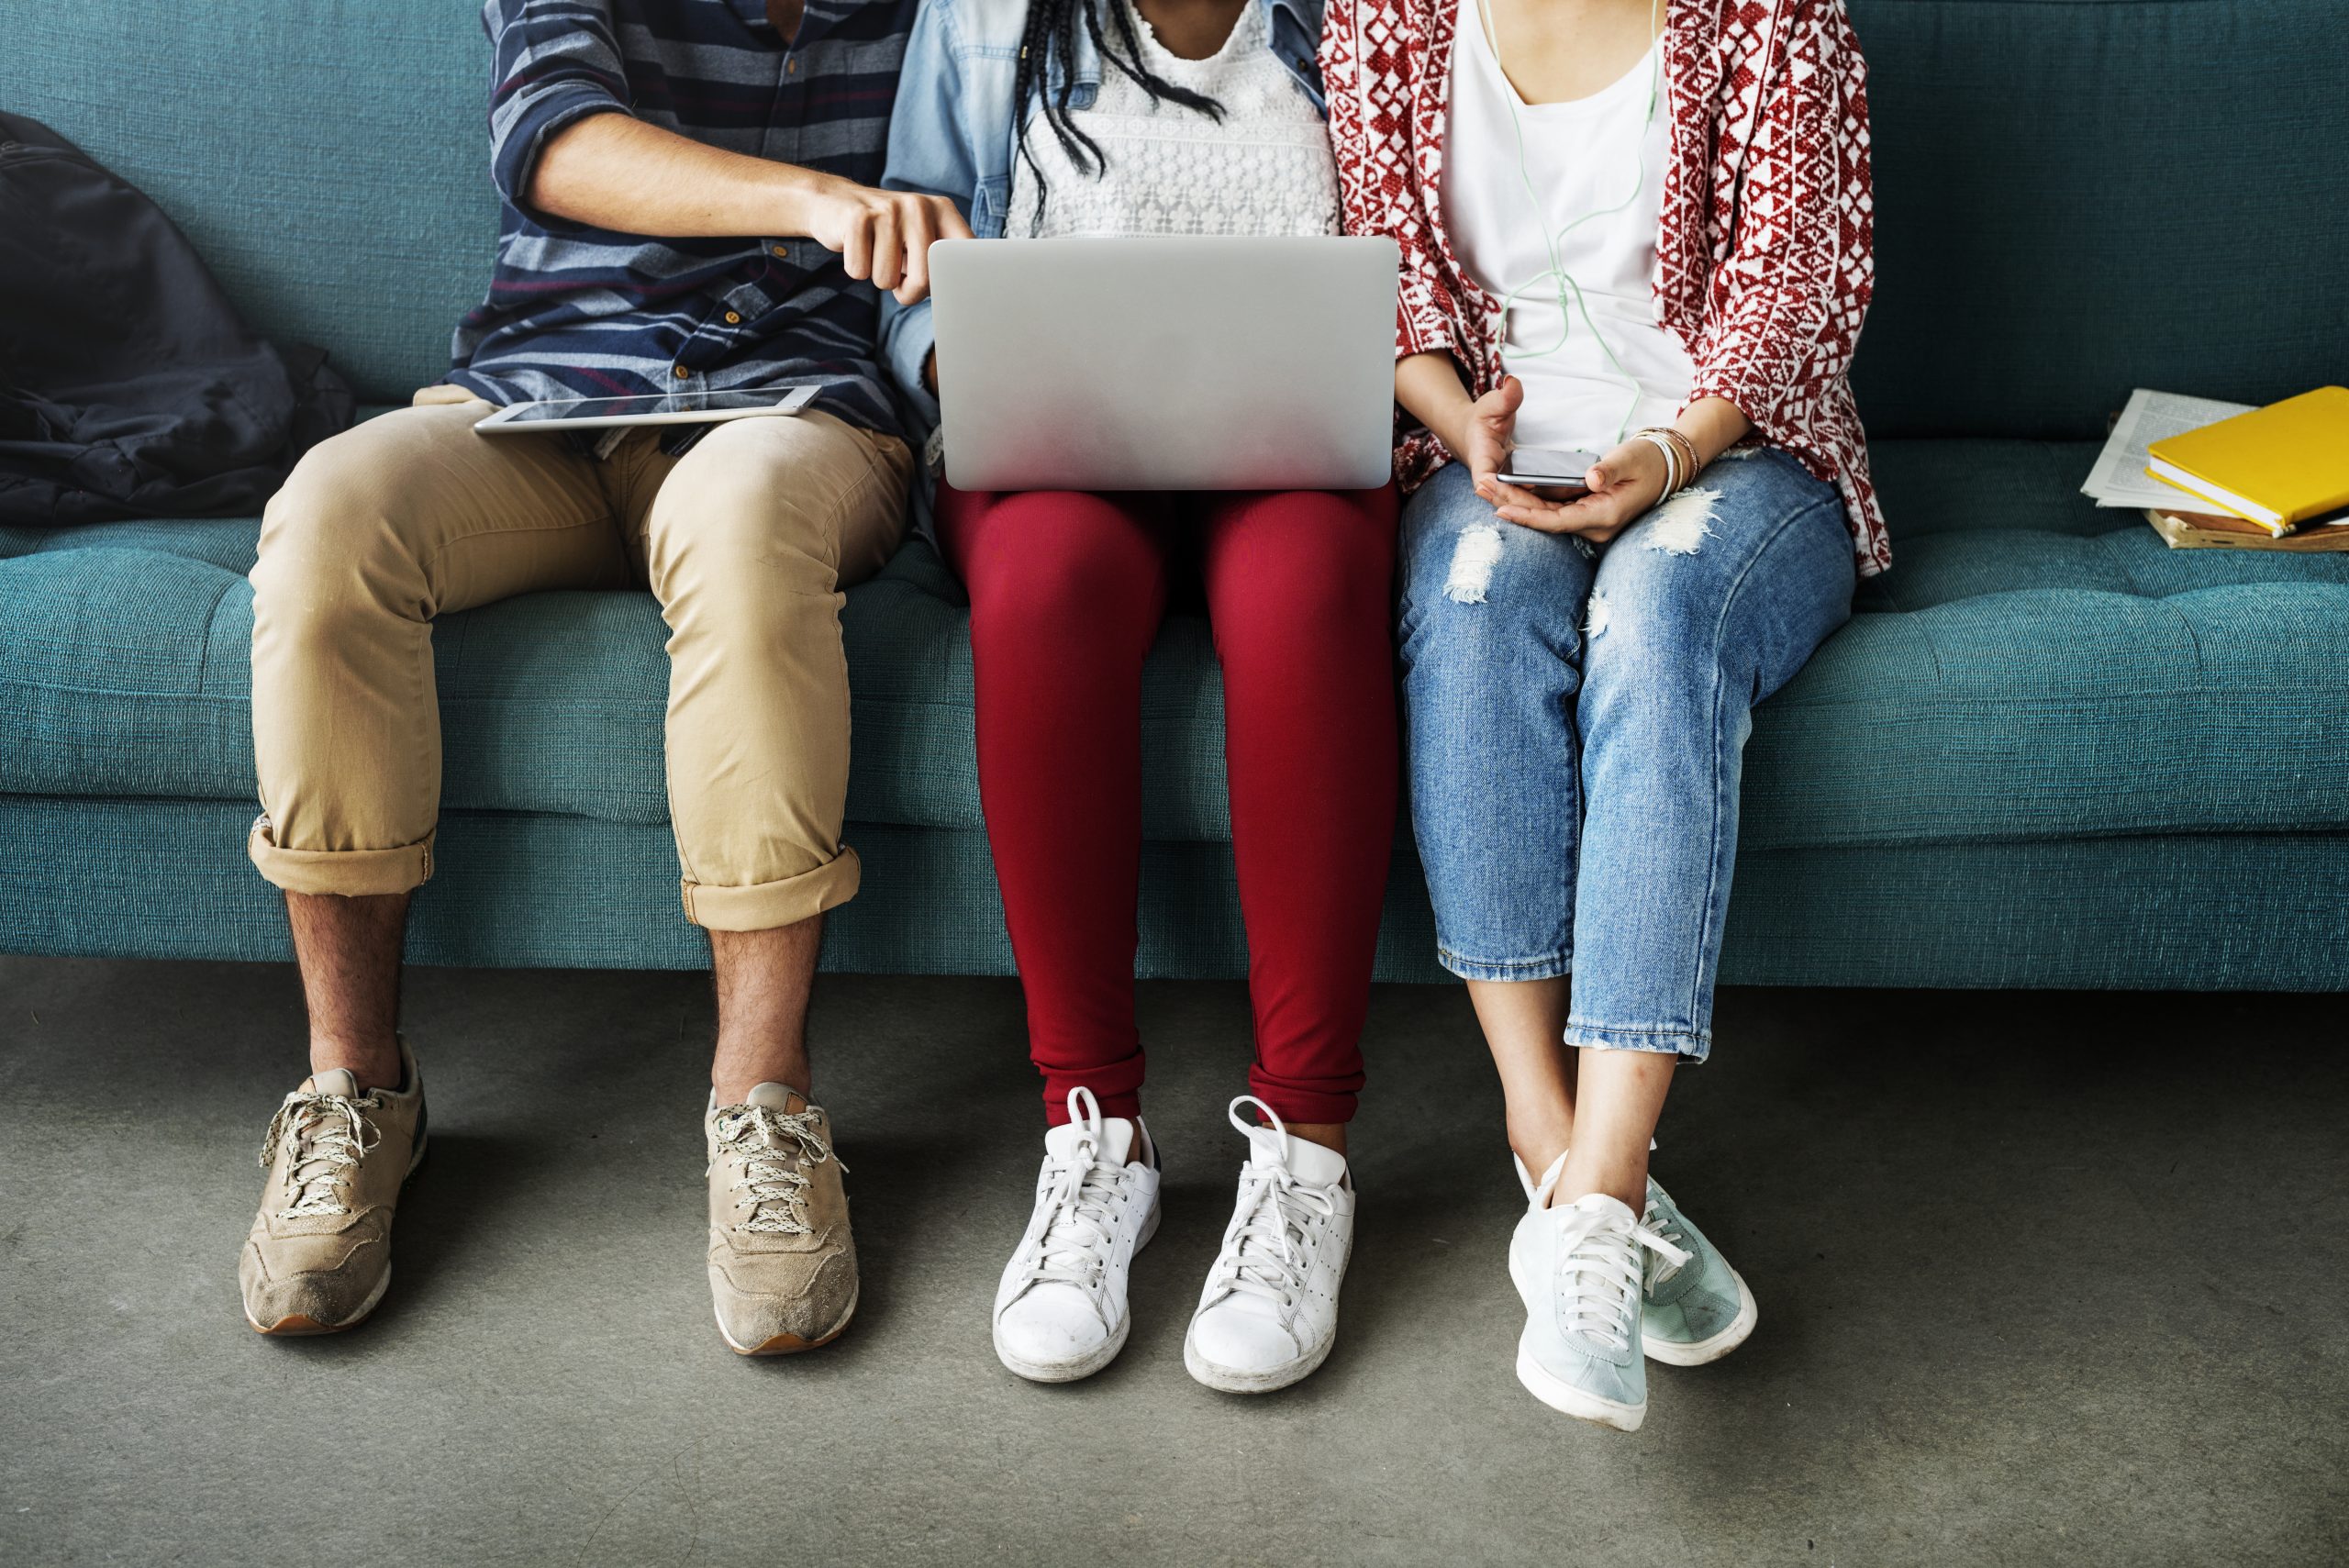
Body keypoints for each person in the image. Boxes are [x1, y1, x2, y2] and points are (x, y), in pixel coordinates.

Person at [236, 0, 971, 1352]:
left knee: (740, 526)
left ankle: (765, 1107)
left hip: (797, 412)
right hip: (543, 400)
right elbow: (553, 140)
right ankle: (354, 1090)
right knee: (327, 518)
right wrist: (818, 200)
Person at [1323, 0, 1883, 1429]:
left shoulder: (1772, 13)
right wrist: (1463, 428)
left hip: (1732, 449)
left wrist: (1666, 449)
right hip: (1489, 451)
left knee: (1659, 609)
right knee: (1467, 591)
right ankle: (1545, 1131)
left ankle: (1603, 1191)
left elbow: (1796, 291)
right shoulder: (1383, 14)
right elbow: (1375, 284)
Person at [878, 0, 1398, 1392]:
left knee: (1306, 594)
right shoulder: (981, 16)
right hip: (1056, 452)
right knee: (1042, 585)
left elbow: (1437, 242)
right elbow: (913, 270)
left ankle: (1305, 1156)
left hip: (1296, 447)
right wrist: (963, 363)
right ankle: (1091, 1133)